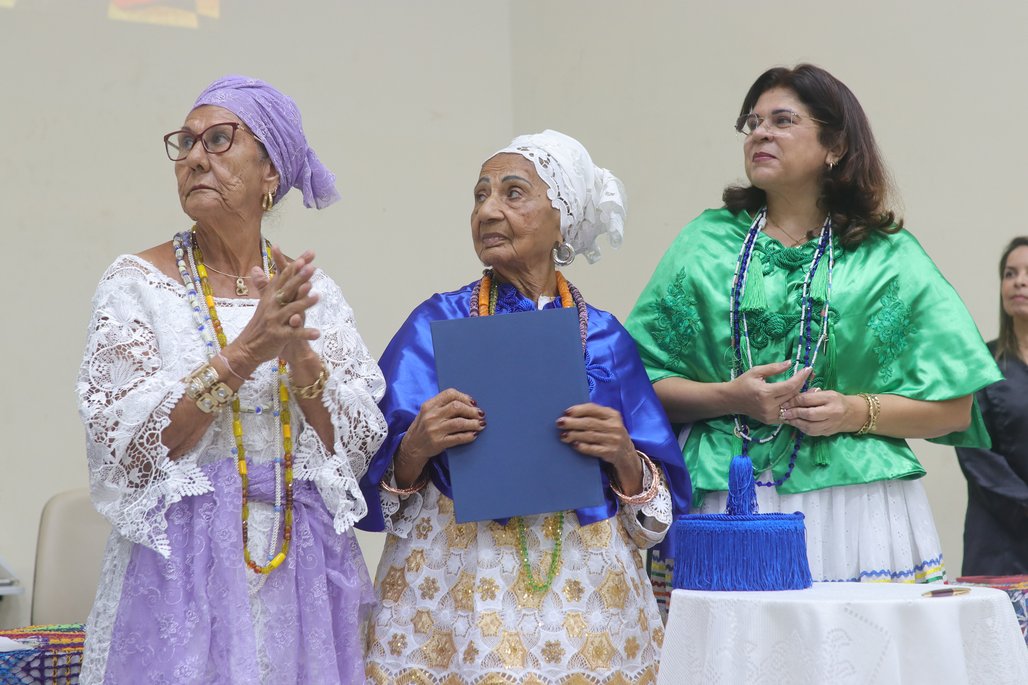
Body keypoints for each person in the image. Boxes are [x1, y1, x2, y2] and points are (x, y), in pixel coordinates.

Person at [625, 64, 1001, 585]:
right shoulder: (704, 245)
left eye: (782, 120)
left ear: (836, 145)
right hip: (726, 498)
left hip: (854, 507)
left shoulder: (887, 257)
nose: (760, 132)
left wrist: (852, 411)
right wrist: (731, 398)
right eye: (752, 122)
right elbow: (639, 384)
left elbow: (954, 410)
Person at [75, 75, 387, 684]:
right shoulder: (136, 283)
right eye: (185, 143)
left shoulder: (313, 295)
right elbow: (129, 449)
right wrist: (245, 351)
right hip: (182, 571)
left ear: (271, 173)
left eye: (219, 140)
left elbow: (355, 448)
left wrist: (299, 357)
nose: (194, 158)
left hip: (303, 567)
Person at [357, 130, 691, 684]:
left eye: (513, 193)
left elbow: (655, 518)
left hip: (587, 597)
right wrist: (415, 447)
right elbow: (373, 485)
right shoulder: (433, 326)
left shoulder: (605, 338)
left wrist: (624, 457)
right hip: (455, 594)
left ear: (562, 218)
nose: (488, 210)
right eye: (480, 194)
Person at [957, 237, 1028, 575]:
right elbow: (976, 454)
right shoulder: (981, 365)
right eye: (1010, 273)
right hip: (999, 545)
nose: (1019, 281)